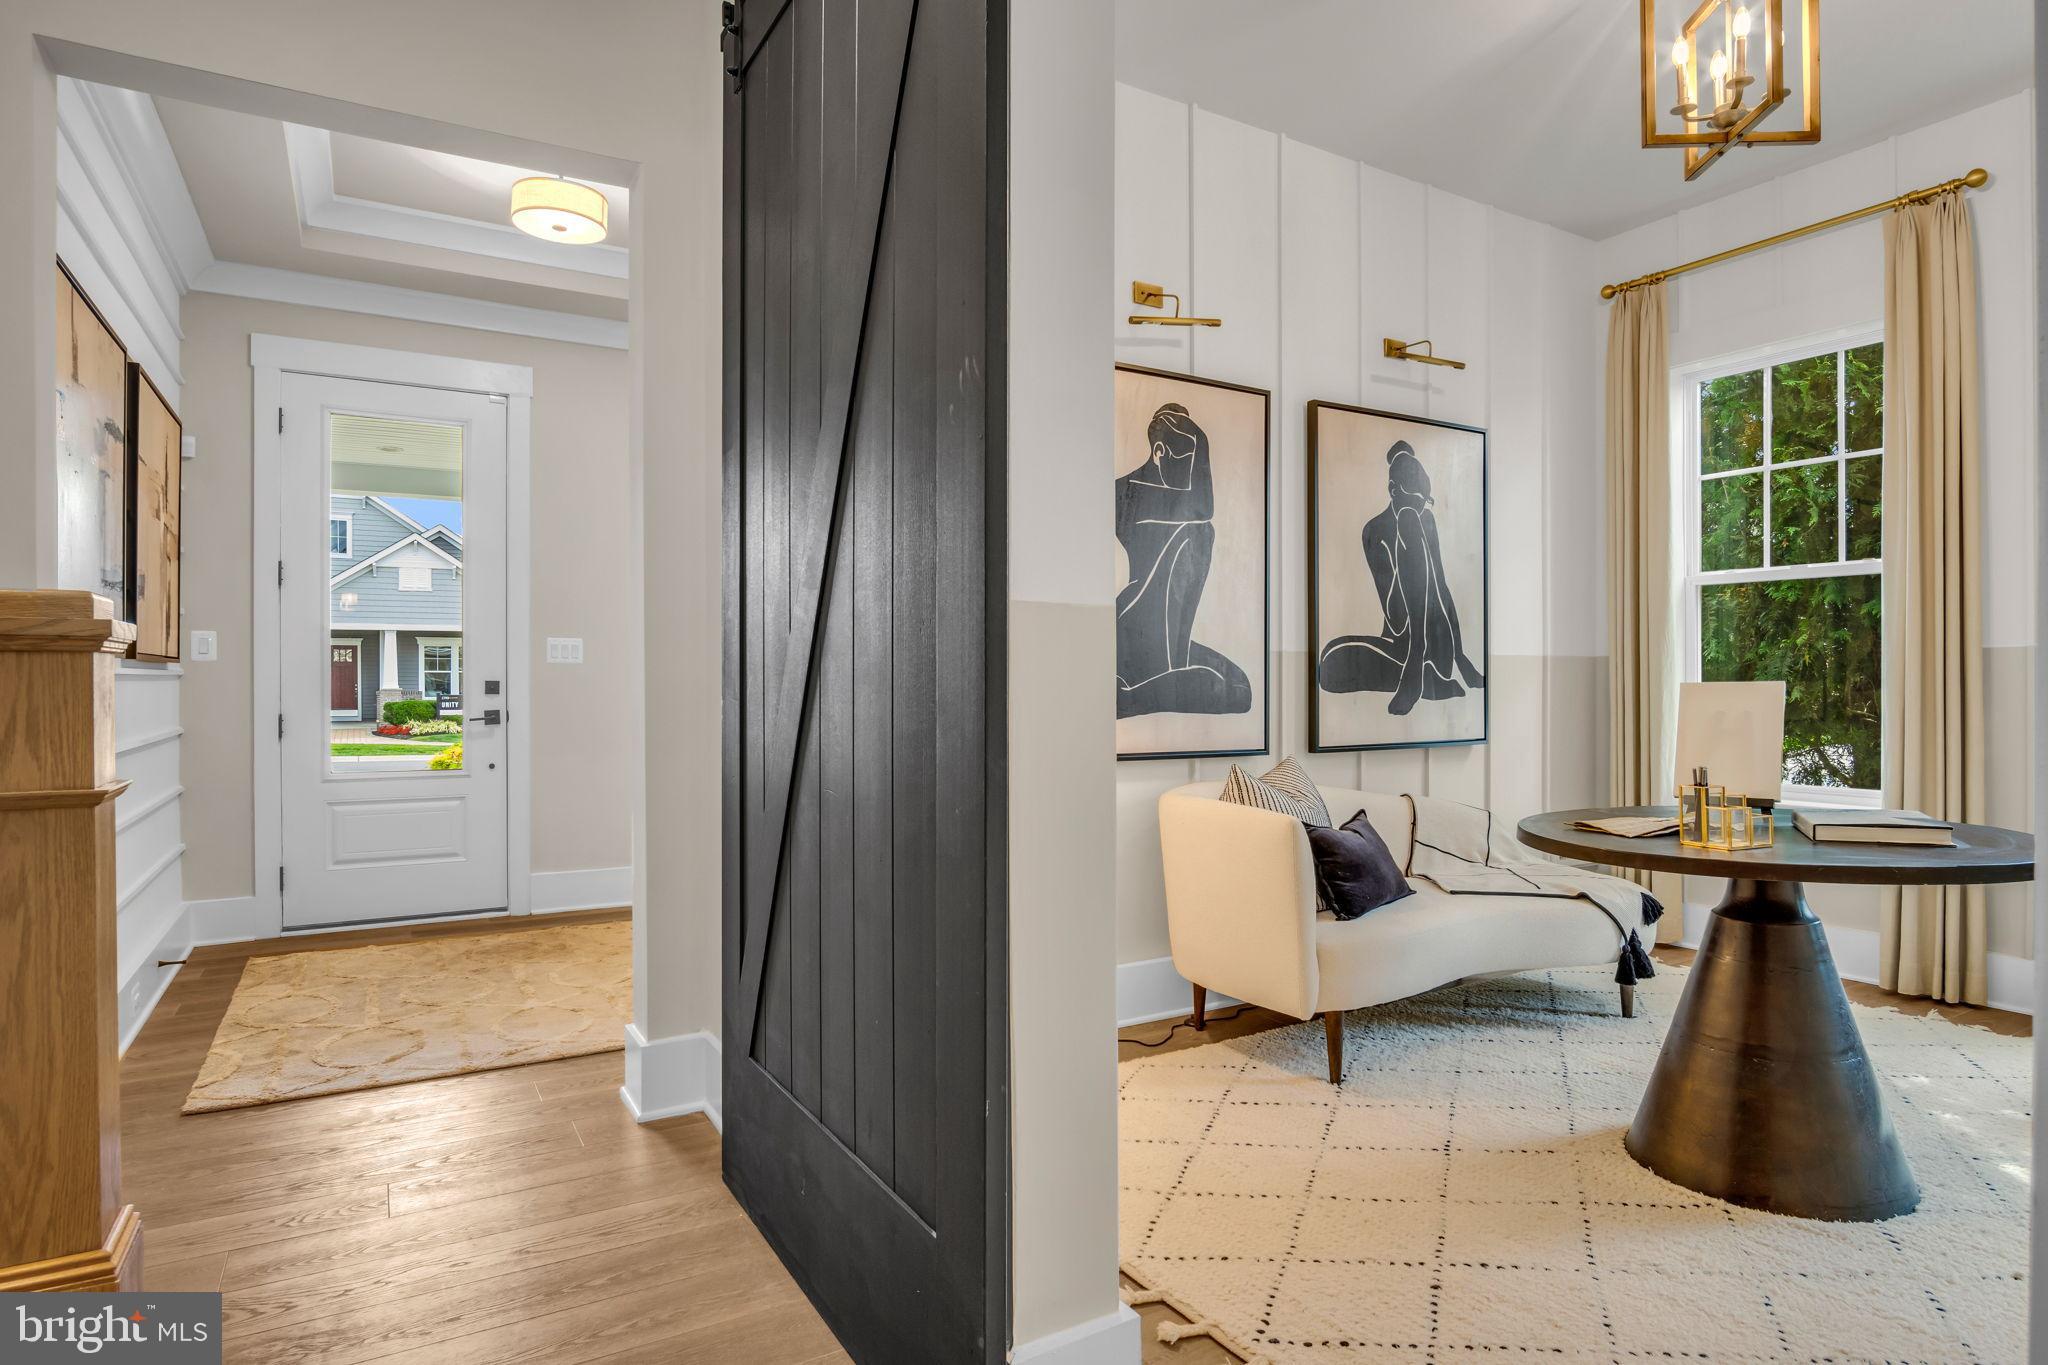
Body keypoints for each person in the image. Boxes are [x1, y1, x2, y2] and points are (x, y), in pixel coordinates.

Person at [1318, 439, 1484, 716]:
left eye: (1422, 505)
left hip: (1432, 650)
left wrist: (1461, 657)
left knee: (1337, 664)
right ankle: (1423, 673)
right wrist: (1405, 542)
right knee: (1329, 661)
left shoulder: (1424, 520)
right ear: (1392, 491)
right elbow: (1395, 621)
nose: (1417, 513)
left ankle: (1418, 670)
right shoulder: (1375, 530)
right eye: (1411, 505)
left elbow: (1442, 587)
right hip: (1401, 647)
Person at [1114, 402, 1253, 719]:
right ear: (1159, 452)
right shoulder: (1122, 492)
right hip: (1133, 624)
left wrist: (1196, 441)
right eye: (1187, 460)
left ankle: (1144, 692)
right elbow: (1202, 511)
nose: (1193, 472)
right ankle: (1151, 687)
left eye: (1197, 462)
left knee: (1241, 691)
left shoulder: (1190, 506)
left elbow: (1205, 509)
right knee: (1198, 533)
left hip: (1174, 643)